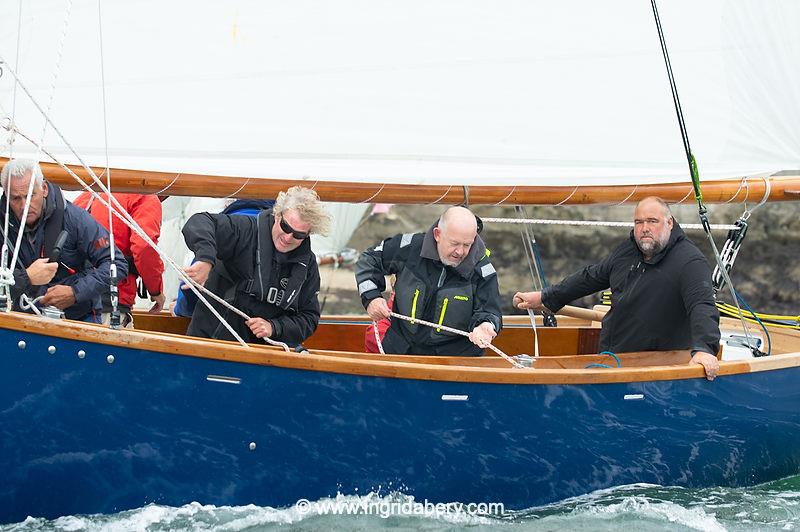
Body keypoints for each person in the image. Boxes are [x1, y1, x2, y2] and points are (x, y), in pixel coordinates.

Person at [513, 196, 720, 380]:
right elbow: (591, 277)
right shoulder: (629, 250)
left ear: (670, 223)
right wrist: (545, 297)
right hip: (613, 360)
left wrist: (704, 349)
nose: (644, 228)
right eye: (639, 222)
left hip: (657, 371)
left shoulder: (690, 262)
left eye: (652, 221)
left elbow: (702, 306)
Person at [181, 187, 330, 346]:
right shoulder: (244, 230)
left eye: (298, 235)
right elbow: (199, 222)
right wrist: (205, 259)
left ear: (308, 234)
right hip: (212, 344)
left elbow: (309, 318)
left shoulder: (308, 265)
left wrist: (274, 327)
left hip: (264, 357)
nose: (288, 238)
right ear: (278, 215)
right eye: (286, 227)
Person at [355, 206, 502, 356]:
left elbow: (490, 311)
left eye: (467, 245)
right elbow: (370, 259)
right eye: (454, 243)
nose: (460, 252)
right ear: (437, 234)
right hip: (399, 352)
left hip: (454, 362)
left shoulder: (483, 271)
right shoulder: (409, 247)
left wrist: (485, 325)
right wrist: (371, 297)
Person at [0, 159, 126, 321]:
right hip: (18, 320)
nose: (24, 206)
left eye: (30, 195)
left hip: (77, 317)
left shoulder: (76, 220)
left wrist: (75, 292)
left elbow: (117, 263)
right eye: (16, 199)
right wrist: (26, 277)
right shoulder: (2, 226)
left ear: (44, 189)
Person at [73, 192, 165, 328]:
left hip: (73, 300)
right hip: (112, 302)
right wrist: (156, 291)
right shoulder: (145, 196)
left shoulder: (89, 195)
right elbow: (144, 247)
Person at [173, 198, 274, 318]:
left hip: (223, 326)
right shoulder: (289, 236)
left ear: (227, 204)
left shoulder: (219, 232)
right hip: (270, 328)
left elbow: (191, 291)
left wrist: (178, 308)